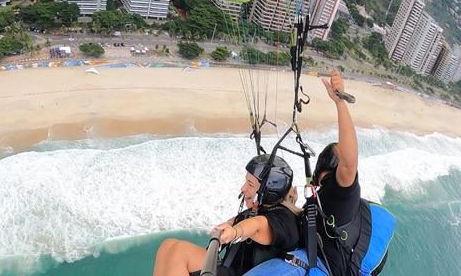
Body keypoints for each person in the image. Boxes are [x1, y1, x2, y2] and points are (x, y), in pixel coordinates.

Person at [245, 69, 359, 276]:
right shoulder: (320, 199)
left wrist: (339, 102)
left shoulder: (343, 195)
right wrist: (295, 207)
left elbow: (349, 164)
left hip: (321, 268)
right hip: (306, 258)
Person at [153, 154, 301, 276]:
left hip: (238, 272)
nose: (243, 188)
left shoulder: (283, 219)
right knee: (168, 245)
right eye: (245, 182)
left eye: (250, 185)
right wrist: (230, 225)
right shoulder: (260, 209)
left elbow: (257, 225)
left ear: (268, 193)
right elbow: (241, 220)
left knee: (180, 250)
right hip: (228, 267)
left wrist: (236, 232)